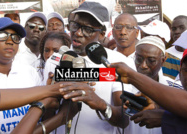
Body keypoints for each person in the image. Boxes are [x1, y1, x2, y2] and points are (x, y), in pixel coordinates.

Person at [51, 2, 130, 134]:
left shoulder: (116, 62)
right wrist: (52, 97)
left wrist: (100, 104)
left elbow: (123, 120)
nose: (78, 33)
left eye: (88, 29)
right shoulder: (54, 60)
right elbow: (46, 114)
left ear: (102, 34)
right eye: (75, 25)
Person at [109, 44, 187, 133]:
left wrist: (131, 76)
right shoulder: (168, 101)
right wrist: (157, 106)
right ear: (180, 72)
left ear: (163, 60)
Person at [0, 17, 42, 133]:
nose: (10, 41)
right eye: (2, 35)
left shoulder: (30, 72)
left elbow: (44, 113)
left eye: (15, 37)